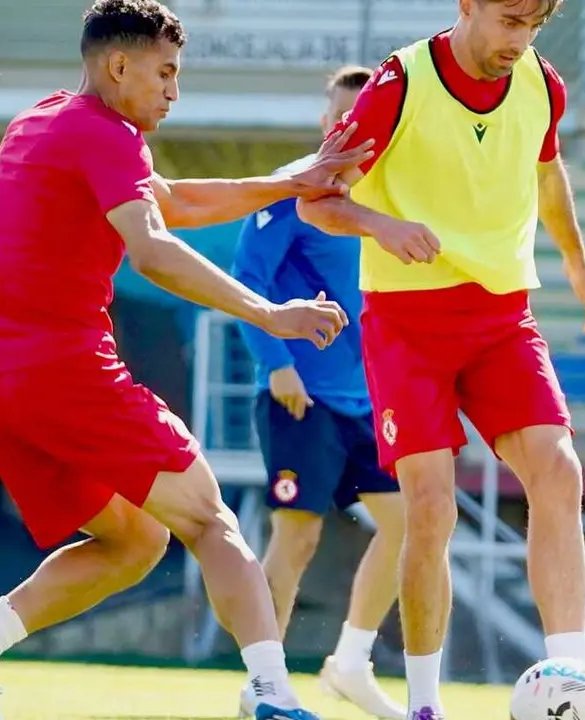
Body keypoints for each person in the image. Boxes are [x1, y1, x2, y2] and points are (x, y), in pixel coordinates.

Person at [0, 2, 372, 719]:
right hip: (64, 373)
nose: (174, 91)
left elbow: (175, 202)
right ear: (117, 65)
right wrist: (269, 313)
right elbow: (154, 249)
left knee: (136, 540)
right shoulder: (107, 133)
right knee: (210, 521)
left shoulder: (41, 121)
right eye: (165, 73)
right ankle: (271, 697)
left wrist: (293, 181)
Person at [297, 3, 585, 719]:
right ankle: (424, 705)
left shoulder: (543, 83)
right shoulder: (397, 85)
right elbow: (317, 201)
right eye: (509, 20)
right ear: (468, 4)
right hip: (407, 324)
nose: (520, 40)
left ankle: (575, 684)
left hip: (502, 317)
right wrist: (382, 224)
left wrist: (575, 258)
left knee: (558, 473)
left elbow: (547, 168)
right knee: (432, 509)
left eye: (533, 24)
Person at [231, 65, 406, 720]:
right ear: (321, 118)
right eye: (336, 115)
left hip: (372, 402)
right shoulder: (294, 186)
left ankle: (350, 665)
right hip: (299, 398)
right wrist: (276, 363)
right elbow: (247, 275)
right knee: (297, 536)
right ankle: (264, 684)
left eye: (357, 117)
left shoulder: (392, 192)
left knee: (410, 527)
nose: (344, 127)